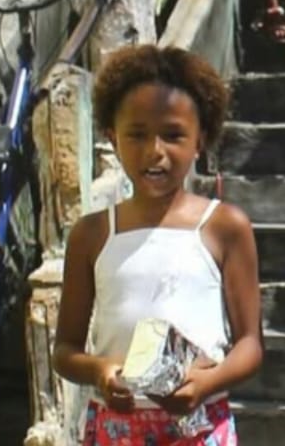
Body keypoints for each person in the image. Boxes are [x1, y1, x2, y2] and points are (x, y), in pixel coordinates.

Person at [54, 46, 262, 444]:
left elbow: (250, 344)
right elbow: (64, 349)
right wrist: (99, 370)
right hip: (118, 427)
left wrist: (207, 382)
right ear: (113, 138)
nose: (155, 152)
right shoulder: (92, 234)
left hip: (201, 425)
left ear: (200, 139)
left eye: (172, 135)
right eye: (137, 135)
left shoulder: (225, 227)